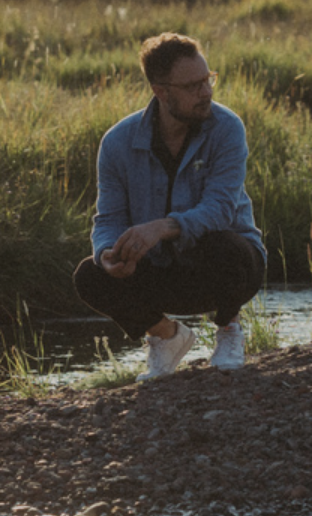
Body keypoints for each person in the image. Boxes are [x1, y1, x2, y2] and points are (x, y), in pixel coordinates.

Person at [73, 33, 266, 380]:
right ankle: (167, 337)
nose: (206, 92)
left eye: (208, 79)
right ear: (161, 92)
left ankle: (229, 329)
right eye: (193, 86)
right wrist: (108, 253)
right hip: (161, 274)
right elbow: (108, 219)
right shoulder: (117, 142)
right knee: (90, 274)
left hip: (228, 269)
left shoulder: (227, 128)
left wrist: (162, 227)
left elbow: (221, 209)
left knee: (225, 245)